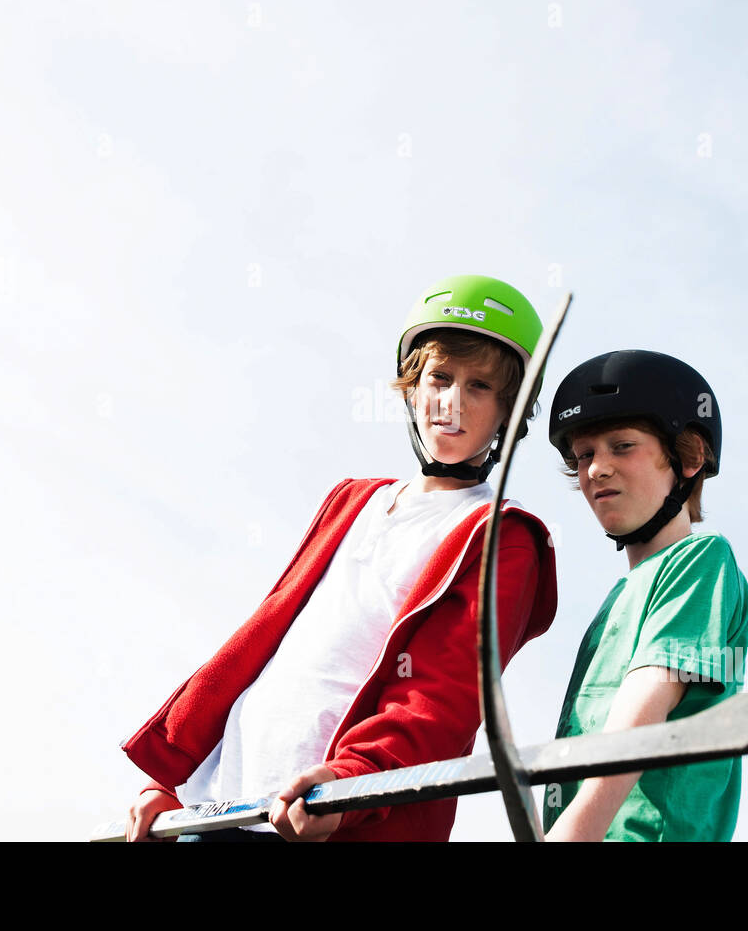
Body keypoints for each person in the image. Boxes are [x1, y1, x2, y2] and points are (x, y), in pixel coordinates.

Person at [122, 275, 558, 842]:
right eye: (439, 378)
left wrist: (352, 784)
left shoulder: (501, 533)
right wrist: (168, 778)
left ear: (510, 409)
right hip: (222, 808)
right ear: (411, 387)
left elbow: (442, 699)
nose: (451, 403)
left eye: (479, 387)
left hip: (333, 818)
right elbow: (262, 641)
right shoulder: (354, 499)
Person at [541, 349, 748, 842]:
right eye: (585, 454)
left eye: (622, 446)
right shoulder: (618, 598)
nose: (596, 469)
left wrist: (572, 832)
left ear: (690, 457)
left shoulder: (701, 559)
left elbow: (646, 707)